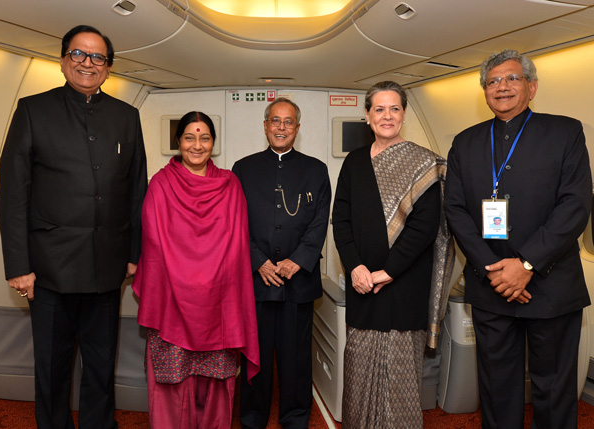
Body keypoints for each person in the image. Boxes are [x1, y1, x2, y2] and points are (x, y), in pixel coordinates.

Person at [0, 25, 148, 428]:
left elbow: (137, 192)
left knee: (101, 367)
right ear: (63, 60)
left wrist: (134, 255)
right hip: (48, 269)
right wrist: (17, 265)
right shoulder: (33, 110)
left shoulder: (127, 116)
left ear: (108, 67)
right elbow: (13, 194)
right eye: (78, 54)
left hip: (106, 267)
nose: (87, 63)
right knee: (52, 368)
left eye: (97, 57)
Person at [444, 49, 591, 429]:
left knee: (554, 388)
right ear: (484, 91)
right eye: (492, 81)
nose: (502, 87)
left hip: (550, 284)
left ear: (532, 87)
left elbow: (575, 205)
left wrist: (525, 265)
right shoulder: (465, 142)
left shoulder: (566, 131)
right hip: (491, 285)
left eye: (511, 78)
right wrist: (495, 270)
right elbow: (455, 211)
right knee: (496, 388)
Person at [332, 80, 454, 428]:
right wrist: (355, 266)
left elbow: (424, 229)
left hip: (404, 288)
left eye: (395, 108)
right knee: (359, 372)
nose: (387, 116)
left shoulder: (423, 164)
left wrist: (388, 272)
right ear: (367, 116)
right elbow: (341, 218)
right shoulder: (354, 162)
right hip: (362, 287)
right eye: (379, 109)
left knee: (400, 379)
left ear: (404, 114)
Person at [131, 111, 260, 428]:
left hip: (218, 303)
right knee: (173, 384)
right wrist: (186, 279)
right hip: (172, 301)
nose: (197, 145)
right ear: (179, 142)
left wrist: (210, 279)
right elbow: (155, 244)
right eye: (190, 137)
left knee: (214, 385)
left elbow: (238, 245)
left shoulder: (230, 185)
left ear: (213, 143)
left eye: (204, 138)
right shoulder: (161, 184)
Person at [232, 98, 331, 428]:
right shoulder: (242, 169)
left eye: (289, 122)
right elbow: (233, 222)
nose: (281, 127)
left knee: (296, 359)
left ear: (297, 129)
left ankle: (295, 417)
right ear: (265, 125)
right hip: (256, 281)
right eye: (275, 121)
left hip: (297, 282)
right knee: (254, 357)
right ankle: (252, 417)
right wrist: (258, 261)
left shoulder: (316, 170)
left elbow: (320, 221)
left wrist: (297, 261)